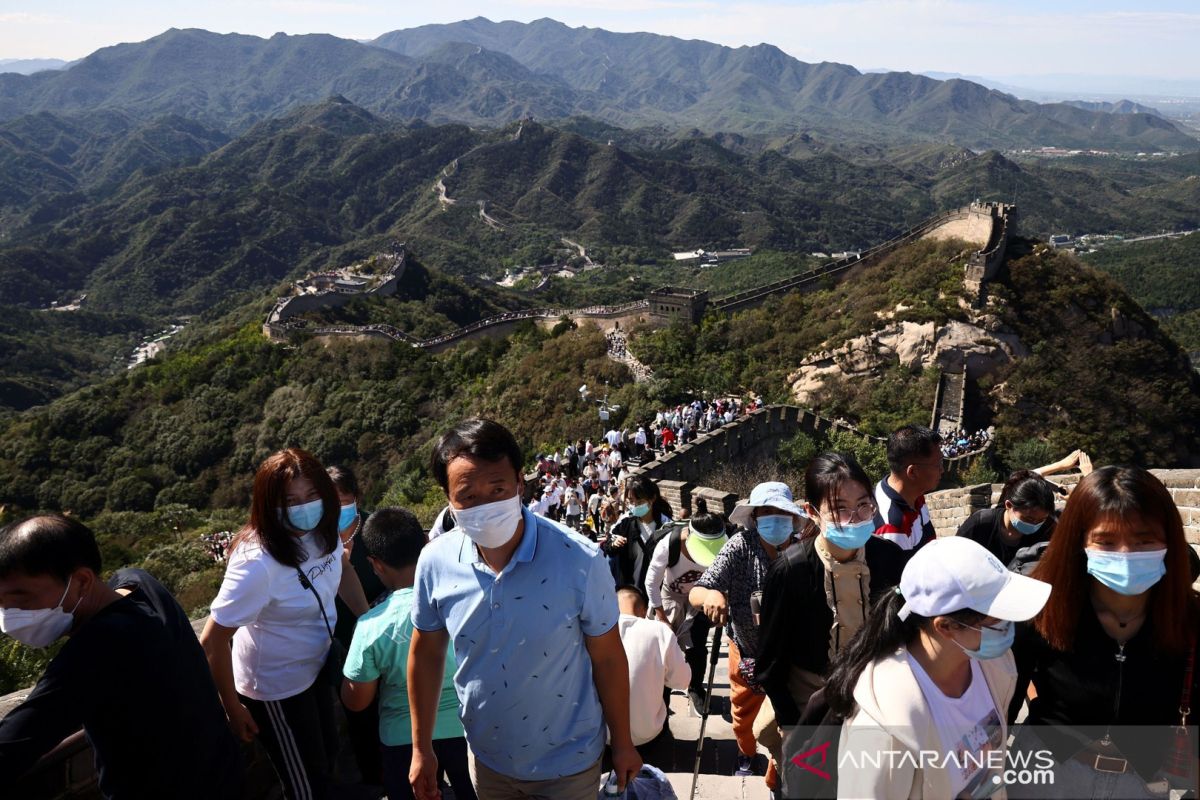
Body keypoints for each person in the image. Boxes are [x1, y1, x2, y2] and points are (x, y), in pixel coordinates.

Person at [407, 419, 641, 800]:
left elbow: (608, 657)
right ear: (448, 500)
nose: (485, 504)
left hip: (570, 762)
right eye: (467, 496)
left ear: (520, 482)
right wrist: (421, 748)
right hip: (488, 761)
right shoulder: (435, 562)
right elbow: (426, 653)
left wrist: (624, 742)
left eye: (497, 488)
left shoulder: (579, 558)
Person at [0, 515, 243, 799]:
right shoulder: (140, 582)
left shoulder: (97, 649)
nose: (8, 614)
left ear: (81, 581)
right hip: (223, 771)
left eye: (21, 598)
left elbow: (15, 743)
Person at [1006, 465, 1200, 798]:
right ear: (1078, 541)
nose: (1126, 554)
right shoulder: (1041, 607)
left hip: (1140, 782)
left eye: (1144, 540)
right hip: (1044, 770)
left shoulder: (1189, 619)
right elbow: (1003, 701)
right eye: (1106, 542)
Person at [825, 536, 1051, 799]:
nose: (1008, 626)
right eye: (997, 620)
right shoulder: (884, 726)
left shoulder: (993, 667)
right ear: (945, 627)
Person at [200, 448, 368, 800]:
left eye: (311, 495)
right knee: (305, 781)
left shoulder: (324, 530)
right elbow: (213, 641)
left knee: (327, 752)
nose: (304, 506)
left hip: (315, 664)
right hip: (276, 685)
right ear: (268, 504)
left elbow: (344, 571)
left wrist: (366, 621)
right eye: (289, 500)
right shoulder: (256, 563)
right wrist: (232, 707)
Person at [757, 453, 907, 747]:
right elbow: (770, 662)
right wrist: (789, 723)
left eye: (864, 506)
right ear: (812, 512)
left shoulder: (888, 559)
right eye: (839, 509)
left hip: (875, 697)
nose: (855, 519)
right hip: (810, 703)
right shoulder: (791, 570)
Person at [341, 508, 476, 800]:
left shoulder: (371, 625)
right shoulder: (461, 604)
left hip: (403, 740)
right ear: (427, 543)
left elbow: (356, 701)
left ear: (375, 564)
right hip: (468, 730)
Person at [689, 481, 804, 783]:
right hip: (747, 650)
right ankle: (746, 750)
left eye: (781, 512)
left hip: (791, 654)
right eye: (767, 512)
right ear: (754, 517)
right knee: (744, 717)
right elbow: (699, 590)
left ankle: (776, 769)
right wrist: (711, 596)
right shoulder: (741, 547)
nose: (775, 519)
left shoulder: (802, 550)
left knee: (785, 719)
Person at [328, 465, 385, 786]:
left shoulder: (375, 531)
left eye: (343, 501)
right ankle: (374, 778)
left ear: (356, 497)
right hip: (342, 648)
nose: (335, 511)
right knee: (359, 718)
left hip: (383, 639)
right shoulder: (313, 542)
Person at [643, 497, 727, 713]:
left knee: (697, 647)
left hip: (700, 598)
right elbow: (651, 582)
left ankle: (695, 687)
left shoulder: (723, 543)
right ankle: (661, 696)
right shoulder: (669, 545)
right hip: (671, 595)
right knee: (665, 647)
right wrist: (660, 615)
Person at [615, 587, 690, 751]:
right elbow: (683, 681)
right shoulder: (659, 630)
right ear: (643, 611)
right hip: (647, 735)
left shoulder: (596, 631)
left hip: (604, 736)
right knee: (663, 671)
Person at [956, 470, 1056, 567]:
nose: (1034, 524)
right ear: (1008, 505)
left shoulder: (1045, 531)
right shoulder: (981, 524)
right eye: (1028, 518)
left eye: (1041, 520)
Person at [872, 424, 942, 551]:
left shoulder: (914, 495)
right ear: (913, 472)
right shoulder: (892, 528)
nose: (942, 470)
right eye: (938, 465)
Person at [604, 475, 674, 589]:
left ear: (652, 499)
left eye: (640, 501)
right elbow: (608, 545)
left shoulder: (666, 526)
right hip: (628, 590)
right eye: (631, 501)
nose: (635, 505)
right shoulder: (626, 521)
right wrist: (614, 543)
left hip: (655, 591)